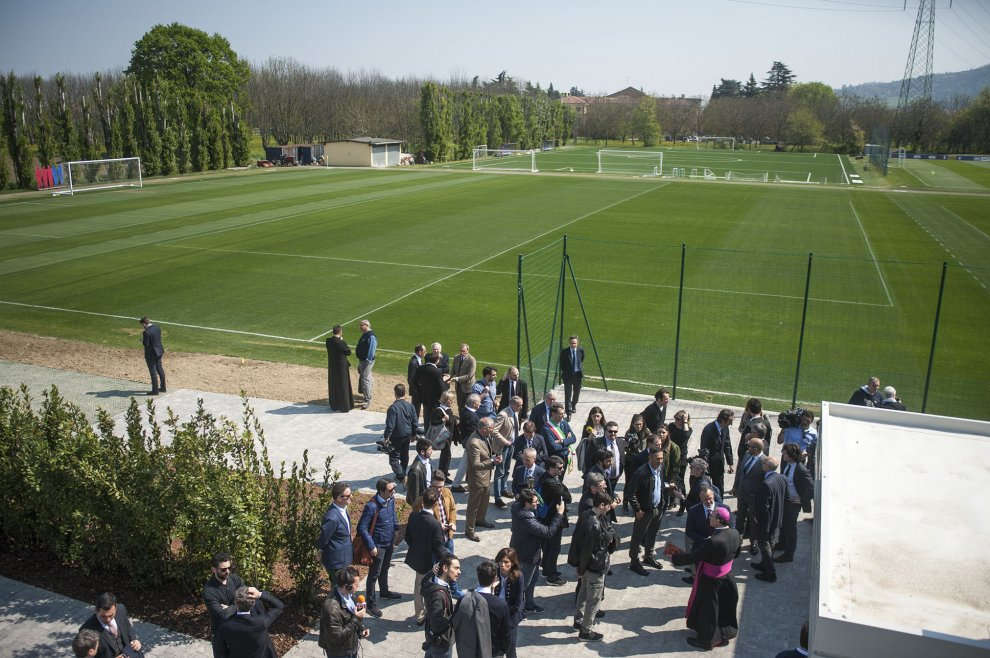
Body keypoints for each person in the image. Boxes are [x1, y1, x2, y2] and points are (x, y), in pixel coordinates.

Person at [669, 506, 742, 650]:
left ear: (720, 521)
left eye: (713, 515)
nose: (709, 517)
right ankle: (726, 632)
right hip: (727, 577)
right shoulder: (735, 533)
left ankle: (706, 641)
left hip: (711, 580)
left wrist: (675, 557)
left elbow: (694, 557)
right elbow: (737, 553)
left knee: (709, 611)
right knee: (724, 607)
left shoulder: (714, 541)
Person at [569, 490, 618, 642]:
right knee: (593, 600)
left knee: (583, 594)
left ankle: (578, 621)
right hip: (595, 567)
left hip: (587, 566)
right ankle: (586, 631)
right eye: (608, 505)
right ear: (601, 505)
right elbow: (587, 550)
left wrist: (579, 567)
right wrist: (581, 568)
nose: (610, 508)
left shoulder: (587, 515)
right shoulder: (595, 525)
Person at [509, 488, 566, 614]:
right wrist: (559, 514)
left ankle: (529, 604)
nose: (538, 503)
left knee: (532, 580)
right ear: (526, 503)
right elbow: (548, 532)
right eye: (535, 502)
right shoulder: (527, 520)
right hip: (527, 555)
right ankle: (517, 610)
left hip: (527, 552)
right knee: (523, 585)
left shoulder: (516, 507)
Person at [406, 488, 452, 625]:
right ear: (435, 503)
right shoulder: (435, 524)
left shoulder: (413, 516)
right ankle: (428, 614)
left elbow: (408, 537)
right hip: (430, 561)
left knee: (418, 588)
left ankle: (419, 615)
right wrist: (449, 558)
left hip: (417, 559)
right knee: (430, 589)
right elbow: (438, 546)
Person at [628, 447, 675, 576]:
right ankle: (634, 561)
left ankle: (648, 556)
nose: (660, 461)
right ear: (650, 458)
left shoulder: (660, 469)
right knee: (638, 536)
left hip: (658, 508)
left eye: (661, 458)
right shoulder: (641, 473)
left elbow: (658, 485)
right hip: (645, 510)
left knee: (652, 533)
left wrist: (667, 487)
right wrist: (637, 509)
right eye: (657, 458)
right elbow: (630, 493)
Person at [358, 478, 401, 617]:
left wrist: (396, 530)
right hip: (378, 546)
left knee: (385, 568)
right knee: (373, 575)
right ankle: (371, 604)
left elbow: (393, 516)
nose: (393, 491)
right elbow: (362, 528)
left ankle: (384, 591)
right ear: (381, 491)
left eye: (393, 489)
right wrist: (372, 546)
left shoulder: (391, 500)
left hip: (389, 543)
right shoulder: (372, 506)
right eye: (390, 490)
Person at [456, 560, 511, 658]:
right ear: (495, 579)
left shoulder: (463, 599)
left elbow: (456, 624)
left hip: (469, 651)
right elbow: (506, 633)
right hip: (492, 652)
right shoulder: (500, 605)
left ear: (478, 576)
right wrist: (502, 651)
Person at [214, 586, 284, 658]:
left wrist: (230, 610)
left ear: (235, 602)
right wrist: (259, 594)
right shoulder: (261, 622)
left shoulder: (225, 626)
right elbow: (279, 606)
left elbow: (219, 653)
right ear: (253, 604)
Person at [683, 485, 731, 584]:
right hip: (701, 544)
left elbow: (731, 526)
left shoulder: (724, 508)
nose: (708, 502)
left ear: (713, 496)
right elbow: (689, 531)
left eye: (710, 498)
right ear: (700, 499)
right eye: (705, 499)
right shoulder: (693, 511)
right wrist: (704, 540)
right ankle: (695, 578)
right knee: (698, 567)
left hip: (719, 546)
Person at [319, 566, 369, 658]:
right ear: (347, 587)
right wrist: (356, 618)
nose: (358, 587)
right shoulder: (331, 608)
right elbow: (337, 638)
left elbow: (351, 617)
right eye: (356, 585)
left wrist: (361, 628)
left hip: (351, 645)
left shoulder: (349, 595)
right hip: (340, 652)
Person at [203, 552, 246, 656]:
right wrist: (239, 604)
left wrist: (230, 608)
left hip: (238, 629)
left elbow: (247, 597)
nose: (228, 572)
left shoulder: (235, 579)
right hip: (220, 634)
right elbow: (223, 615)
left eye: (229, 568)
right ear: (213, 570)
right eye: (223, 569)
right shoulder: (209, 591)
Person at [753, 456, 788, 583]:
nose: (762, 464)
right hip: (777, 517)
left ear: (767, 467)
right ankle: (763, 564)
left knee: (764, 544)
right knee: (770, 543)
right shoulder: (781, 478)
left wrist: (759, 522)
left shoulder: (766, 484)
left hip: (766, 522)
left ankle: (770, 573)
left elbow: (763, 509)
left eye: (763, 463)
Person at [777, 443, 813, 563]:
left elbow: (810, 488)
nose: (783, 454)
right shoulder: (788, 465)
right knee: (783, 524)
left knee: (790, 528)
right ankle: (781, 544)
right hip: (785, 500)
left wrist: (801, 500)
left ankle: (789, 554)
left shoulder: (800, 469)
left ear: (791, 455)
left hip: (793, 503)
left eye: (785, 453)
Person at [465, 417, 500, 540]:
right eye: (491, 428)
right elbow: (475, 465)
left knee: (484, 501)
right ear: (483, 428)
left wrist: (494, 456)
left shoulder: (485, 436)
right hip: (477, 479)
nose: (493, 430)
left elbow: (488, 452)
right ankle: (469, 531)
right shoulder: (474, 442)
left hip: (486, 476)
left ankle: (480, 520)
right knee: (473, 506)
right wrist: (492, 462)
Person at [538, 455, 571, 586]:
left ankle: (547, 569)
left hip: (548, 518)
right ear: (551, 468)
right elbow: (567, 497)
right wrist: (564, 490)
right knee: (553, 548)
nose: (562, 470)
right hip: (552, 519)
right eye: (559, 468)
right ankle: (551, 575)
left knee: (548, 547)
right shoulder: (550, 482)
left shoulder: (550, 478)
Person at [79, 592, 143, 658]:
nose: (108, 620)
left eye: (111, 615)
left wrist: (134, 640)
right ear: (96, 611)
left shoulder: (121, 609)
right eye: (103, 616)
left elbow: (128, 627)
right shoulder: (86, 630)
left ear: (116, 608)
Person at [732, 437, 766, 552]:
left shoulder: (764, 462)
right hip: (742, 494)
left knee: (753, 520)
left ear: (756, 449)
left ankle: (753, 542)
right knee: (740, 518)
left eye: (750, 446)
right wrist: (736, 486)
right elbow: (740, 472)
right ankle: (737, 540)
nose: (747, 448)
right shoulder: (747, 455)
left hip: (754, 498)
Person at [422, 554, 460, 657]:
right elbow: (437, 622)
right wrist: (455, 619)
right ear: (445, 568)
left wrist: (431, 573)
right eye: (456, 568)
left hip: (431, 639)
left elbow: (423, 583)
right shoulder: (438, 595)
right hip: (441, 644)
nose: (459, 572)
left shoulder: (430, 583)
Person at [318, 482, 354, 584]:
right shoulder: (332, 517)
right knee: (338, 589)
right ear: (338, 498)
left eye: (350, 494)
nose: (351, 496)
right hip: (336, 561)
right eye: (348, 496)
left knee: (341, 588)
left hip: (344, 558)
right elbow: (324, 538)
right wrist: (320, 551)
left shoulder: (343, 509)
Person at [383, 383, 419, 482]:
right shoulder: (410, 406)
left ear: (395, 393)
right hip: (407, 435)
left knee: (393, 459)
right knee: (404, 456)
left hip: (396, 437)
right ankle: (402, 472)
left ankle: (401, 476)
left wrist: (386, 437)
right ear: (405, 393)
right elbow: (415, 422)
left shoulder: (393, 408)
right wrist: (414, 435)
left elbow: (390, 425)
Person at [417, 470, 458, 555]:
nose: (439, 490)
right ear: (430, 484)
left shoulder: (447, 492)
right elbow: (421, 520)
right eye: (435, 487)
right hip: (434, 541)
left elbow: (452, 509)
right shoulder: (424, 498)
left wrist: (452, 522)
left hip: (448, 537)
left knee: (450, 563)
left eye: (441, 486)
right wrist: (438, 526)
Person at [492, 396, 523, 508]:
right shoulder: (503, 414)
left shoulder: (515, 412)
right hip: (502, 447)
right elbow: (494, 430)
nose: (521, 407)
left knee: (507, 469)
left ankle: (504, 489)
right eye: (519, 405)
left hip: (511, 445)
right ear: (513, 404)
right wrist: (505, 441)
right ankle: (498, 498)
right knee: (499, 471)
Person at [494, 548, 525, 658]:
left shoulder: (518, 576)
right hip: (495, 616)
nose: (502, 565)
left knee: (510, 649)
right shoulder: (494, 573)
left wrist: (509, 619)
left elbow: (518, 602)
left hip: (510, 616)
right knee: (496, 649)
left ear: (512, 563)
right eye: (500, 561)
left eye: (506, 562)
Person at [700, 409, 735, 497]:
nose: (731, 424)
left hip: (719, 464)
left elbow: (727, 445)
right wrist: (705, 466)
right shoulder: (709, 430)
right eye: (730, 421)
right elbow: (704, 449)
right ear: (723, 420)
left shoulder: (725, 428)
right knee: (706, 488)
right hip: (709, 464)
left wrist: (730, 463)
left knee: (719, 488)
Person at [667, 410, 693, 514]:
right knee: (669, 481)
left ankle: (682, 505)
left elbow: (685, 435)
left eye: (679, 419)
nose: (676, 421)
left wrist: (685, 421)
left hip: (681, 460)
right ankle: (672, 501)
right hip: (670, 457)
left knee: (680, 483)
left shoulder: (688, 429)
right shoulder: (671, 427)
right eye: (676, 418)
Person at [326, 325, 354, 412]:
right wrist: (342, 341)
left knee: (334, 384)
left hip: (332, 366)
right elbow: (348, 352)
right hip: (341, 367)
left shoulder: (328, 341)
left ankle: (334, 404)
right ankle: (345, 406)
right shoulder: (340, 342)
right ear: (340, 332)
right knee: (343, 385)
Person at [415, 353, 448, 423]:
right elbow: (443, 388)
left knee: (426, 417)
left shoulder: (420, 368)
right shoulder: (437, 371)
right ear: (437, 361)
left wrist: (421, 392)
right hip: (435, 400)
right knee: (434, 419)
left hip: (424, 397)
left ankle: (426, 432)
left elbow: (414, 382)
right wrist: (445, 381)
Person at [541, 402, 577, 468]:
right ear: (553, 414)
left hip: (566, 457)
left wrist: (562, 441)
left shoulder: (564, 423)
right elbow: (554, 447)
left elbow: (574, 438)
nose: (563, 416)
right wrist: (567, 441)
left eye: (563, 413)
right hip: (555, 460)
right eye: (560, 414)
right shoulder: (546, 428)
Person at [559, 335, 584, 419]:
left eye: (575, 343)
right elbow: (561, 364)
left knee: (576, 393)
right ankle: (568, 412)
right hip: (568, 377)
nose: (573, 345)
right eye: (572, 343)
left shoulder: (580, 350)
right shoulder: (564, 352)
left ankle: (573, 405)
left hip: (577, 376)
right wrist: (567, 372)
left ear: (577, 343)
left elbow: (582, 359)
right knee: (568, 394)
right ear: (569, 343)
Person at [139, 316, 166, 396]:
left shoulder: (146, 332)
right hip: (159, 351)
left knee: (153, 372)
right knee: (160, 369)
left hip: (151, 354)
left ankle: (155, 391)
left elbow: (146, 344)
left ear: (144, 324)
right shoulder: (157, 328)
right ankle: (163, 387)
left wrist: (142, 341)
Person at [577, 406, 607, 474]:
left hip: (602, 455)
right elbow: (583, 441)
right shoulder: (587, 427)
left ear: (601, 416)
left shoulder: (605, 427)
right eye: (594, 416)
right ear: (591, 416)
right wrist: (589, 438)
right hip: (590, 456)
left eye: (598, 416)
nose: (596, 418)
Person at [355, 319, 376, 409]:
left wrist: (368, 360)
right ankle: (367, 393)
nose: (360, 327)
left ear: (367, 325)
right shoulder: (365, 334)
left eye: (362, 325)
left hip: (367, 361)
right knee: (366, 377)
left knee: (365, 379)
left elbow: (372, 348)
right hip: (362, 360)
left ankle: (367, 399)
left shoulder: (371, 336)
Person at [449, 343, 477, 412]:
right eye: (460, 351)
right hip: (458, 386)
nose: (462, 353)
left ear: (468, 350)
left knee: (467, 405)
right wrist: (449, 378)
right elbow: (453, 370)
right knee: (459, 404)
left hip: (468, 387)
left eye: (463, 351)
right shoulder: (456, 358)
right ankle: (461, 419)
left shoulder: (472, 360)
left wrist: (457, 378)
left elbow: (470, 375)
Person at [406, 439, 434, 506]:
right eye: (429, 450)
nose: (432, 451)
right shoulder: (415, 470)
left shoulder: (427, 460)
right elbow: (414, 493)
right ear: (422, 452)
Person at [408, 344, 426, 420]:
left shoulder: (419, 360)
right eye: (424, 351)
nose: (425, 352)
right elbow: (410, 379)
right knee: (415, 409)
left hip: (418, 389)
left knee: (417, 408)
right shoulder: (414, 362)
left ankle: (414, 424)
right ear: (419, 352)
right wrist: (416, 391)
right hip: (416, 391)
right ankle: (414, 427)